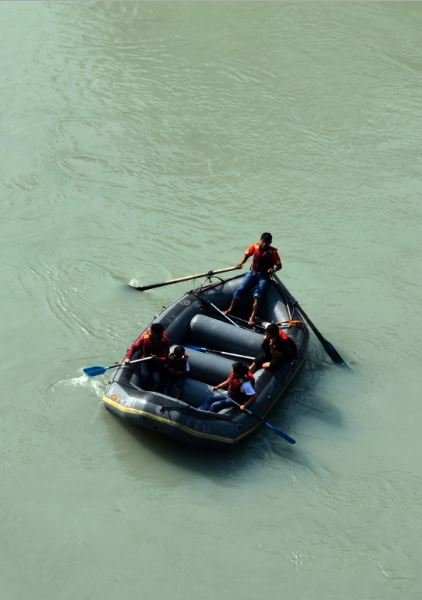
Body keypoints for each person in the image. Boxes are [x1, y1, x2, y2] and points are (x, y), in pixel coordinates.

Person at [225, 232, 282, 325]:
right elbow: (247, 255)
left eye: (267, 243)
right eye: (263, 242)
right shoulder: (255, 246)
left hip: (264, 276)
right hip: (253, 273)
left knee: (257, 297)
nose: (264, 244)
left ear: (270, 243)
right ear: (261, 240)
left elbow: (279, 265)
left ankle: (252, 317)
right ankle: (230, 309)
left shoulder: (273, 252)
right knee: (240, 290)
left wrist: (273, 269)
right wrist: (241, 262)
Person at [124, 322, 170, 391]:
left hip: (157, 363)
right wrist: (128, 357)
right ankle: (144, 390)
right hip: (145, 360)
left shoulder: (165, 341)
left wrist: (158, 359)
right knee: (145, 377)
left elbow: (166, 357)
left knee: (157, 381)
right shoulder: (145, 337)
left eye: (151, 332)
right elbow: (134, 347)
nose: (149, 333)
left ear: (157, 334)